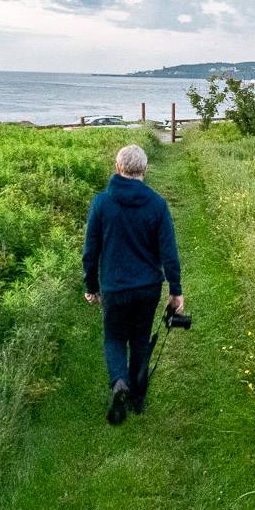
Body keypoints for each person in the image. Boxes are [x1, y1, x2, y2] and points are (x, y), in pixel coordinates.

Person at [82, 144, 183, 424]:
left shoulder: (101, 203)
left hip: (114, 287)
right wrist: (175, 291)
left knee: (114, 338)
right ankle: (138, 400)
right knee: (139, 339)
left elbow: (90, 252)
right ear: (145, 170)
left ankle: (118, 383)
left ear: (117, 168)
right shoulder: (157, 205)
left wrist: (91, 287)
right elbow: (169, 253)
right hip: (147, 288)